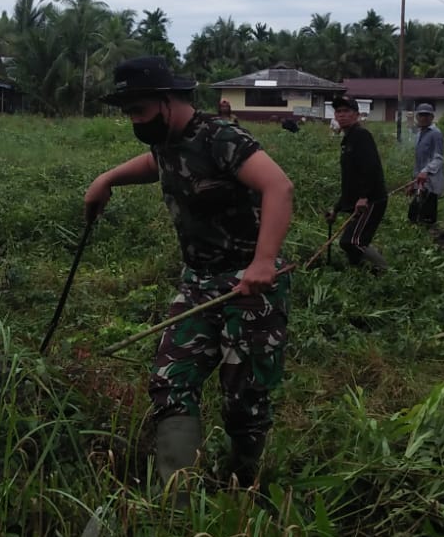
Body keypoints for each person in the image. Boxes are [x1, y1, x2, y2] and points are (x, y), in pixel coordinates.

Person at [84, 56, 294, 492]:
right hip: (198, 284)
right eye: (129, 114)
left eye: (139, 112)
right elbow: (154, 164)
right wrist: (106, 179)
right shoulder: (166, 140)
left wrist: (262, 262)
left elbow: (279, 186)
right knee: (169, 380)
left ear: (167, 101)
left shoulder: (220, 137)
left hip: (247, 288)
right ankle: (176, 497)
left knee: (245, 400)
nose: (135, 122)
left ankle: (244, 482)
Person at [327, 95, 388, 271]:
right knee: (350, 242)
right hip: (362, 200)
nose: (341, 115)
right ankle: (360, 273)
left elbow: (371, 168)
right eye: (338, 111)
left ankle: (384, 269)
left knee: (352, 241)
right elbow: (350, 182)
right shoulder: (347, 140)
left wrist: (364, 196)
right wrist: (336, 209)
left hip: (372, 200)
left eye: (346, 111)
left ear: (356, 115)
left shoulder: (361, 135)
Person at [409, 103, 444, 227]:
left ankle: (430, 239)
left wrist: (426, 171)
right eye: (421, 115)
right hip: (420, 180)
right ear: (417, 116)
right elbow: (419, 161)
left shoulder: (435, 134)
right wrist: (414, 182)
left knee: (427, 217)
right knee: (414, 214)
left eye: (426, 115)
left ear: (432, 117)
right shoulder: (420, 133)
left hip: (431, 180)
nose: (423, 118)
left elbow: (438, 158)